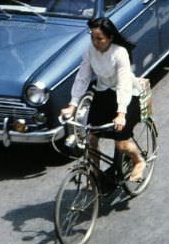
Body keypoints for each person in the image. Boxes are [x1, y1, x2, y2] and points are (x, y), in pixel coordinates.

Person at [62, 17, 145, 183]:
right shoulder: (90, 52)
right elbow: (82, 78)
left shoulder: (119, 53)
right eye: (92, 37)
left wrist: (121, 113)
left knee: (121, 144)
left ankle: (139, 161)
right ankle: (95, 178)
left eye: (99, 38)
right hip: (103, 93)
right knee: (91, 139)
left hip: (126, 96)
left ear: (110, 38)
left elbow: (123, 84)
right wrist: (72, 104)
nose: (95, 42)